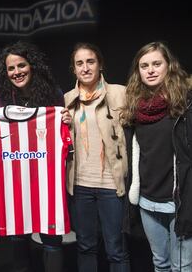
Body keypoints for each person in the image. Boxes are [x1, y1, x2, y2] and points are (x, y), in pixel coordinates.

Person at [121, 41, 192, 272]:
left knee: (182, 267)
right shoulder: (135, 107)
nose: (151, 70)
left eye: (157, 63)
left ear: (169, 66)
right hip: (148, 203)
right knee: (160, 263)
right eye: (144, 65)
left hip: (182, 202)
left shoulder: (191, 100)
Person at [0, 41, 71, 272]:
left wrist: (67, 121)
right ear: (5, 73)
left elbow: (65, 136)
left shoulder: (54, 94)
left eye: (21, 65)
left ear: (32, 66)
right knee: (18, 237)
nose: (17, 72)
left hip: (47, 182)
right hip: (15, 181)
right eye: (11, 68)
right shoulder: (1, 99)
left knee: (52, 239)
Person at [64, 43, 130, 272]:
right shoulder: (67, 100)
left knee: (115, 249)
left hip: (111, 185)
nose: (85, 67)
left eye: (90, 61)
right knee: (85, 246)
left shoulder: (121, 93)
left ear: (100, 64)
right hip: (80, 185)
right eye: (79, 63)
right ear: (73, 69)